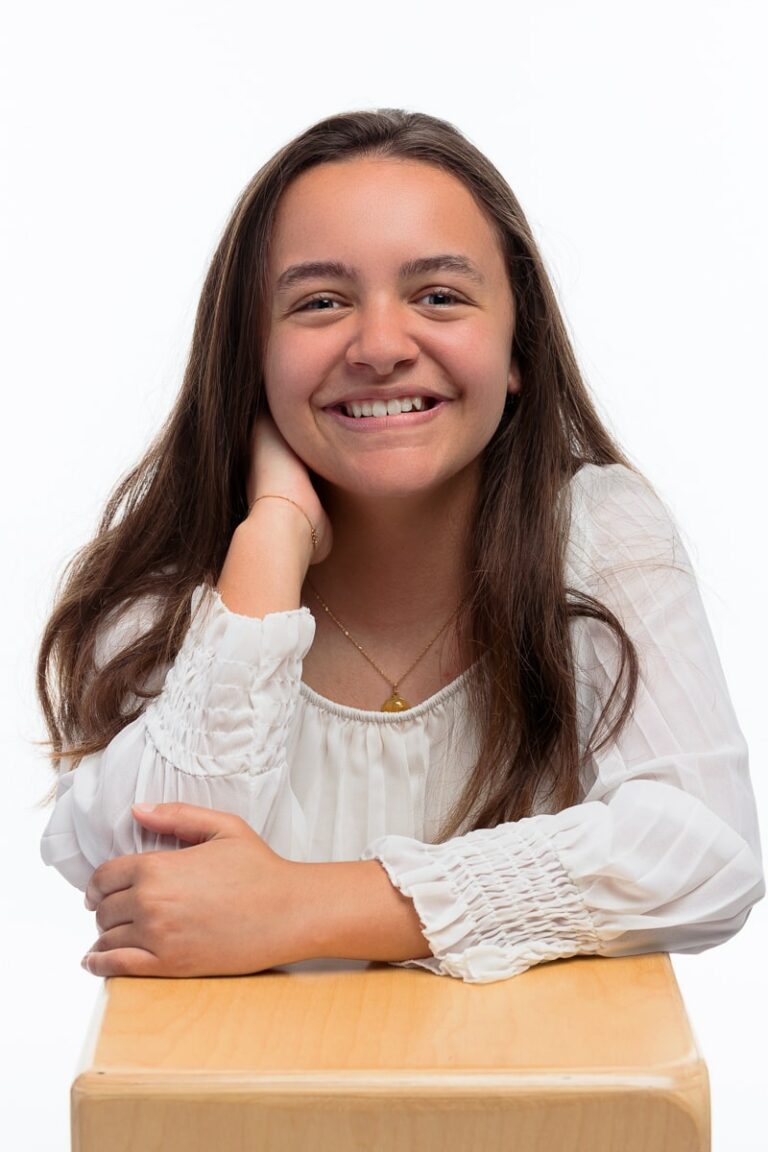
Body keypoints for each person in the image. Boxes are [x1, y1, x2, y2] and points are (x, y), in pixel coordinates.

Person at [37, 108, 764, 984]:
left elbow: (706, 850)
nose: (380, 346)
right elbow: (162, 887)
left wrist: (301, 906)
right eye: (320, 302)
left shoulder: (599, 531)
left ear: (517, 347)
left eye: (440, 296)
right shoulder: (173, 597)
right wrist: (273, 534)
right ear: (251, 355)